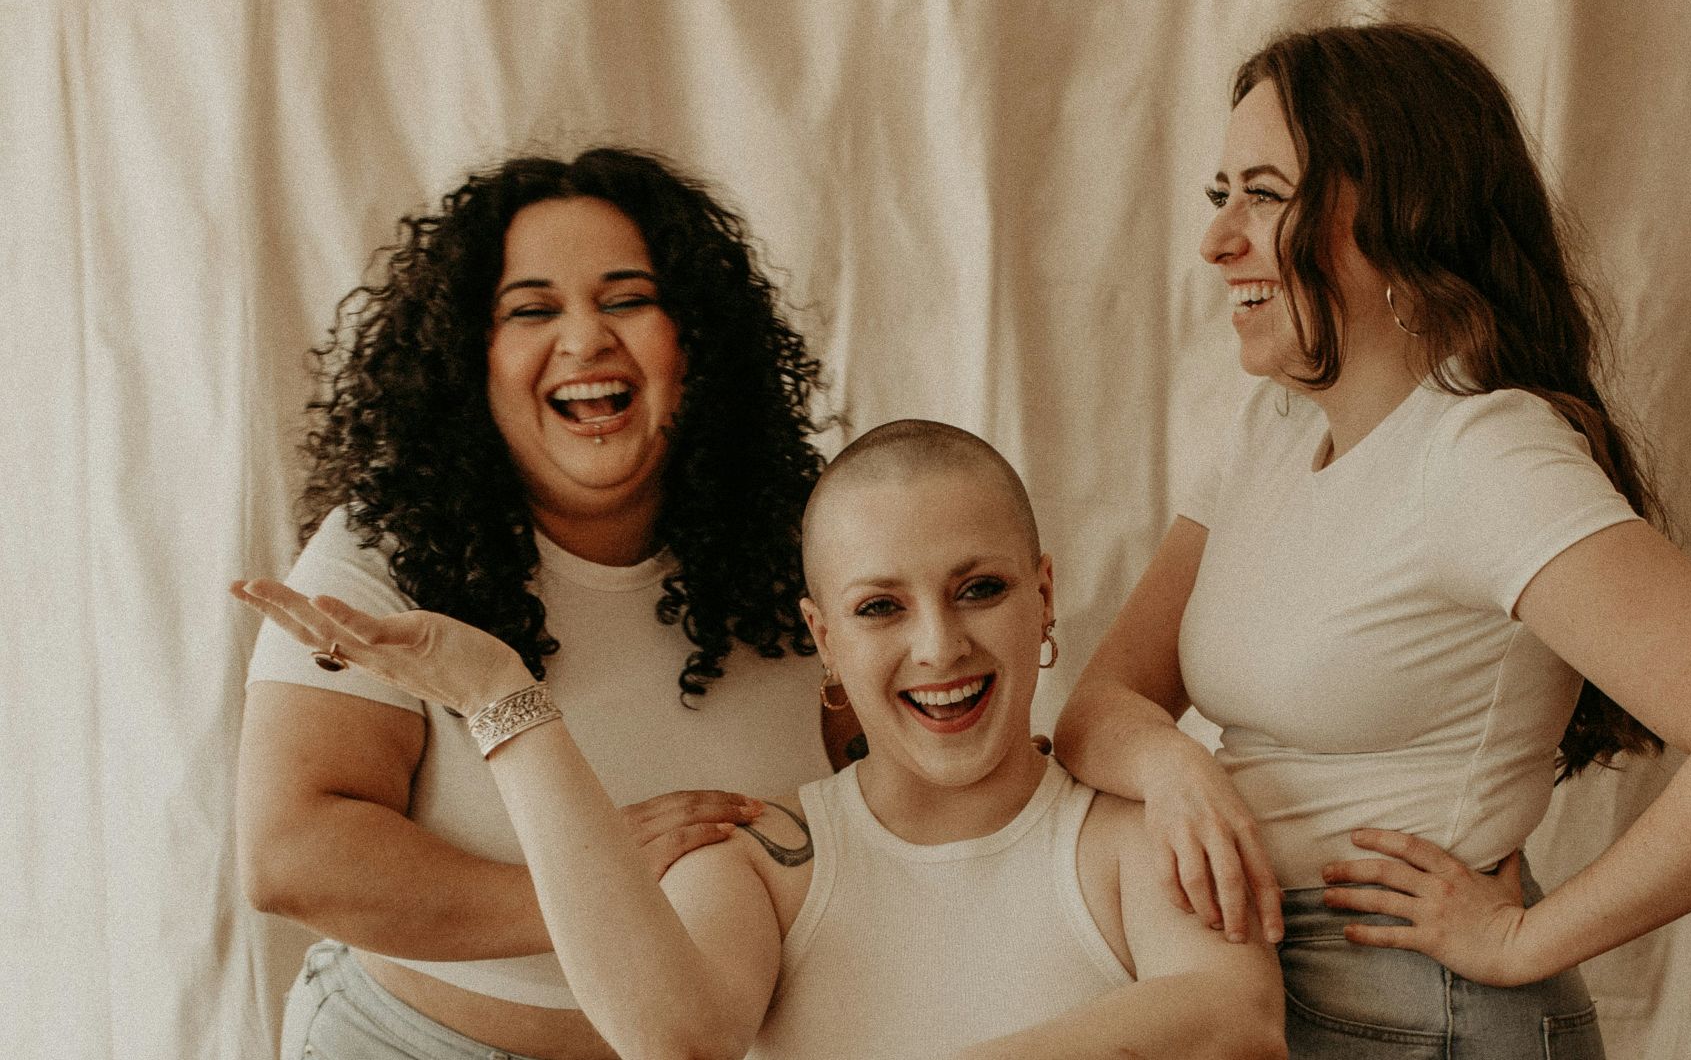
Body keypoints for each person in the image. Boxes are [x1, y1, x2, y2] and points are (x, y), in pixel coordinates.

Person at [1051, 21, 1691, 1058]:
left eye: (1265, 194)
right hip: (1250, 978)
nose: (1217, 241)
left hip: (1415, 1009)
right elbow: (1100, 709)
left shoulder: (1486, 456)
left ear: (1400, 215)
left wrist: (1519, 941)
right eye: (1221, 194)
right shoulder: (1274, 427)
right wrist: (1177, 770)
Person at [233, 419, 1291, 1060]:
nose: (939, 645)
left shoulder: (1135, 839)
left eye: (980, 589)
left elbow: (1235, 1022)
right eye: (880, 608)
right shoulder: (770, 861)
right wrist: (501, 698)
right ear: (823, 639)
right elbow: (675, 1039)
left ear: (1044, 595)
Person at [238, 147, 860, 1060]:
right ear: (470, 358)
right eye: (532, 310)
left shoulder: (811, 542)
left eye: (628, 300)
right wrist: (592, 886)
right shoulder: (385, 549)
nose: (585, 339)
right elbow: (291, 855)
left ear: (695, 340)